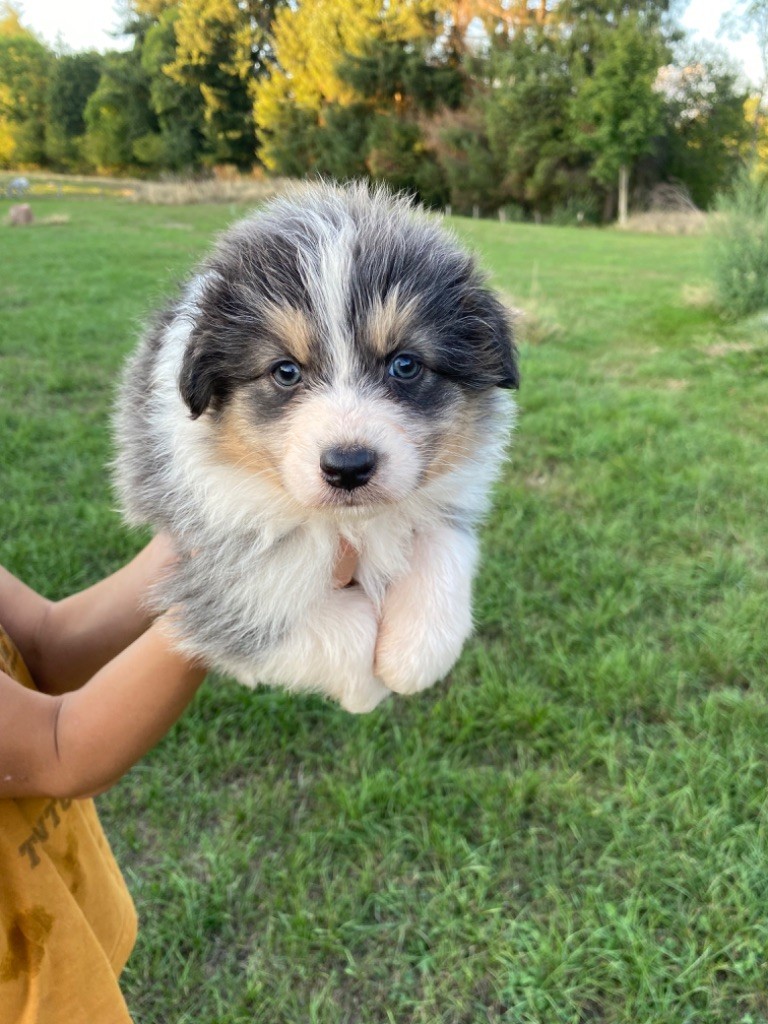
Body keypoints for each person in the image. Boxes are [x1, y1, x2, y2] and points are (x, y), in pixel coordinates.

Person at [0, 534, 357, 1023]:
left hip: (48, 920)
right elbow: (60, 750)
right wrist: (241, 594)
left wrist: (209, 522)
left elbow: (47, 644)